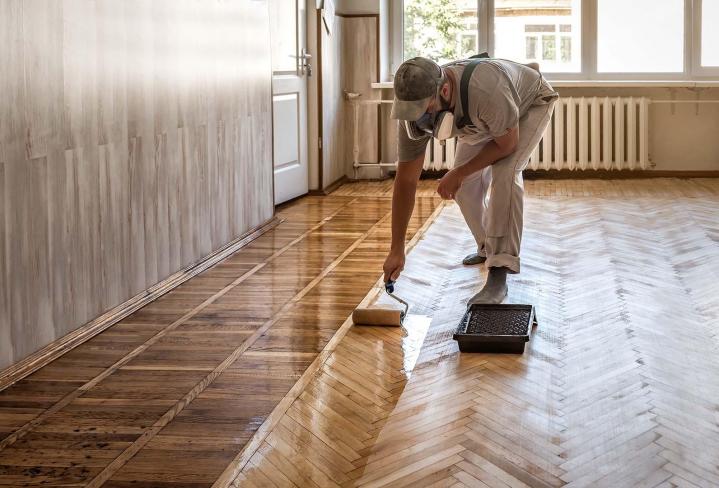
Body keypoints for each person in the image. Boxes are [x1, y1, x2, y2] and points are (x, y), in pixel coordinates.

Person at [383, 55, 558, 305]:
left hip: (529, 103)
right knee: (463, 188)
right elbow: (406, 182)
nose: (421, 120)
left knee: (505, 174)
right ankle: (487, 247)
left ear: (444, 90)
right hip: (482, 117)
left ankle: (499, 271)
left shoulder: (485, 88)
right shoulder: (411, 112)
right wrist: (396, 248)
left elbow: (506, 146)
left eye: (427, 110)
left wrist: (459, 172)